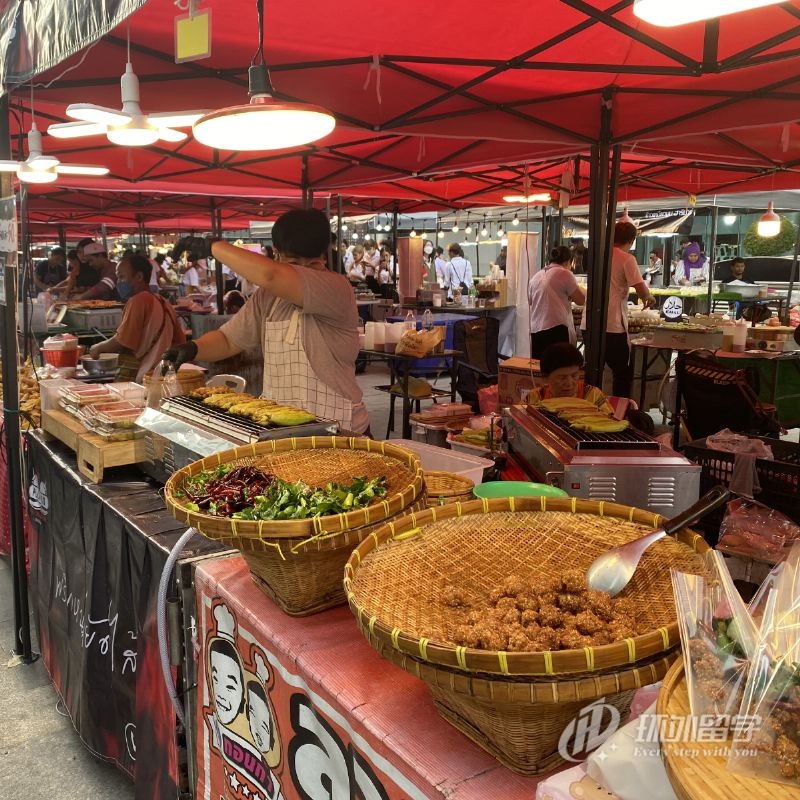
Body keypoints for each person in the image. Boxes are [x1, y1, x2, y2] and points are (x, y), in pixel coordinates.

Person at [162, 208, 370, 436]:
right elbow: (229, 340)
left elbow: (270, 275)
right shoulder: (267, 296)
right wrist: (193, 348)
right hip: (278, 427)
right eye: (293, 262)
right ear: (277, 255)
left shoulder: (336, 287)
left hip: (339, 427)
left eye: (312, 264)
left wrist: (213, 246)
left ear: (324, 256)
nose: (302, 270)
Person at [580, 221, 655, 398]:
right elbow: (642, 290)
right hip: (612, 326)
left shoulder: (597, 256)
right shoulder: (627, 259)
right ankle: (619, 409)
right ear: (631, 240)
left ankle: (589, 404)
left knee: (592, 371)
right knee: (622, 373)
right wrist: (649, 298)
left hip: (588, 323)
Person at [88, 253, 186, 382]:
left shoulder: (138, 300)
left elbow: (123, 340)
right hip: (164, 375)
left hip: (142, 376)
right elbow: (180, 341)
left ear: (139, 277)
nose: (118, 282)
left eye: (122, 277)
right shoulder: (164, 302)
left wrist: (97, 348)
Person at [525, 343, 654, 434]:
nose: (569, 383)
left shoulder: (592, 395)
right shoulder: (534, 397)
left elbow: (608, 424)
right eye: (562, 377)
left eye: (574, 375)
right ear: (545, 378)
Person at [527, 245, 586, 359]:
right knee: (560, 365)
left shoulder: (535, 277)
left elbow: (530, 302)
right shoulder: (565, 273)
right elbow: (580, 300)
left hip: (536, 331)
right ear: (568, 262)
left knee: (540, 366)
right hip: (557, 330)